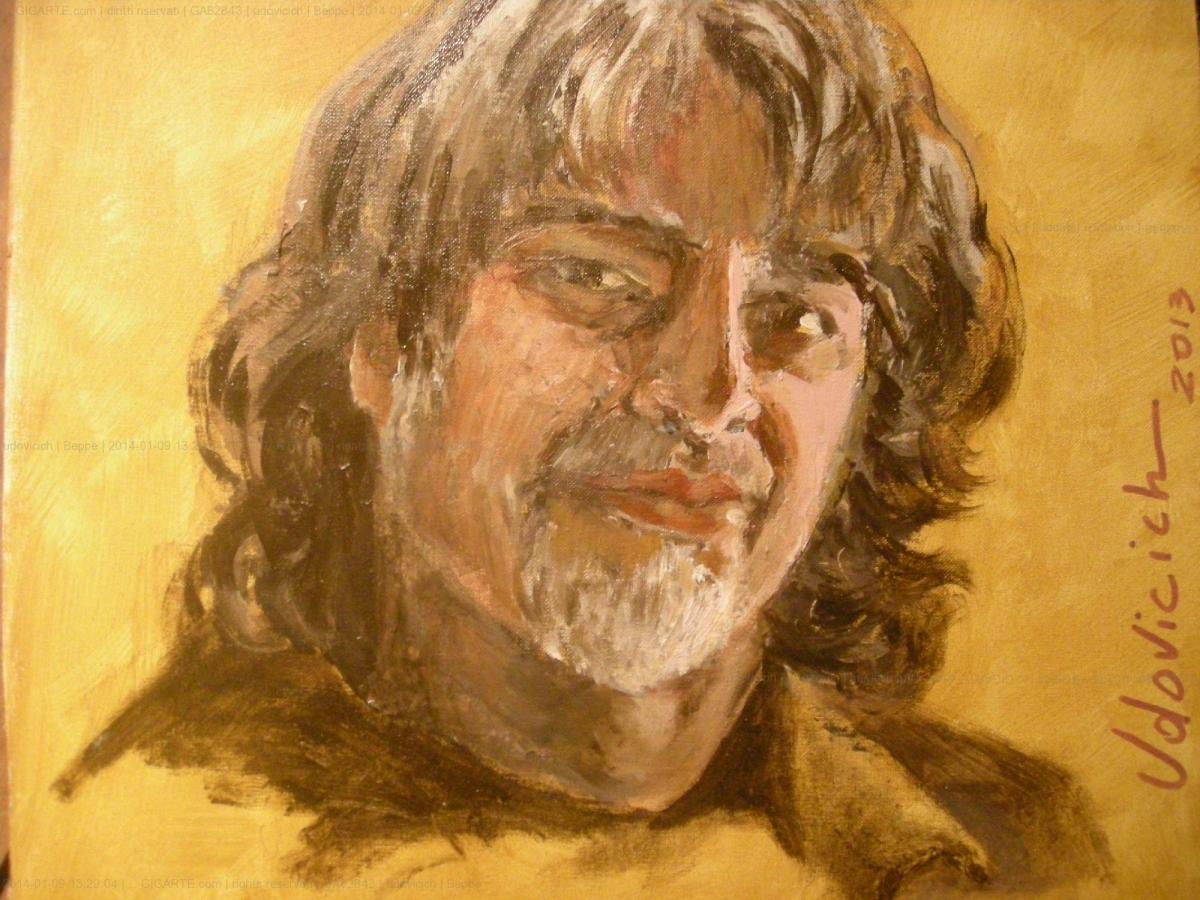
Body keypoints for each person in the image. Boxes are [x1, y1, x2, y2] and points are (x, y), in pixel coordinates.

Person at [57, 0, 1112, 895]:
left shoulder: (1011, 847)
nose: (709, 397)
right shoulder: (152, 833)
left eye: (796, 315)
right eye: (598, 277)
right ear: (380, 336)